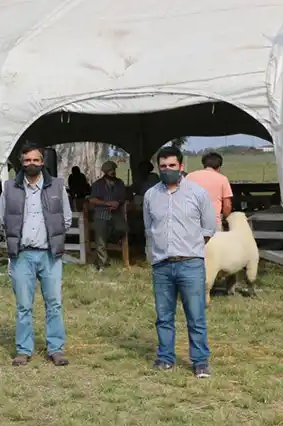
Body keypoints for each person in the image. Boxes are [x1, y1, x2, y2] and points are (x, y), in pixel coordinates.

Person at [143, 146, 217, 378]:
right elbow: (149, 228)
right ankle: (165, 357)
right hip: (162, 264)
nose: (167, 170)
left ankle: (200, 361)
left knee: (195, 315)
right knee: (164, 316)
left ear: (181, 167)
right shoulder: (150, 195)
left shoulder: (198, 193)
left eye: (172, 166)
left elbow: (209, 227)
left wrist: (192, 248)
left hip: (190, 263)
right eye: (163, 166)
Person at [0, 142, 72, 367]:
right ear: (22, 162)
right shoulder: (9, 187)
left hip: (49, 255)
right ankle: (23, 349)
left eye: (36, 160)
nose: (31, 164)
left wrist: (52, 239)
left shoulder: (57, 187)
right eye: (27, 160)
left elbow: (66, 219)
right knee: (23, 305)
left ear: (42, 162)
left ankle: (56, 348)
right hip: (22, 255)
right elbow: (3, 218)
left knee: (54, 303)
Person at [87, 161, 129, 272]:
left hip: (115, 214)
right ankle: (103, 264)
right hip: (101, 213)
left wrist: (117, 203)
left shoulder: (119, 183)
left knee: (123, 228)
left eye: (114, 170)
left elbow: (123, 196)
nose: (113, 172)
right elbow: (92, 199)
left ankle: (111, 239)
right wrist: (106, 203)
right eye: (110, 170)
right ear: (105, 172)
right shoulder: (97, 184)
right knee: (100, 238)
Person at [186, 152, 234, 231]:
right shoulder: (222, 179)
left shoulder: (190, 176)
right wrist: (225, 219)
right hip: (213, 223)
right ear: (219, 166)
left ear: (204, 164)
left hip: (191, 222)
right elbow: (227, 205)